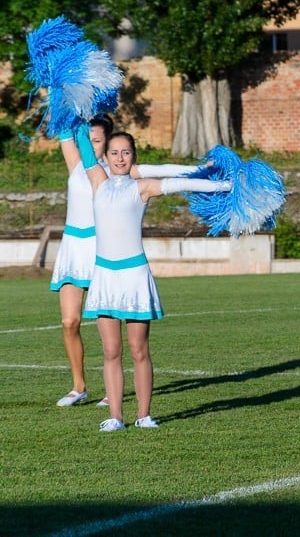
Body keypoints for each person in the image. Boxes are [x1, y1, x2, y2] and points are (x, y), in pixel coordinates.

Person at [75, 128, 231, 431]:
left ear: (134, 156)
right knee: (110, 352)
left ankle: (144, 414)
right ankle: (116, 416)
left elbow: (180, 184)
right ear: (104, 156)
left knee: (139, 349)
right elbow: (82, 142)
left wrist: (225, 185)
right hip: (104, 275)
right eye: (114, 152)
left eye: (126, 153)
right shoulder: (97, 181)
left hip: (134, 275)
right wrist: (75, 107)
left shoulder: (141, 187)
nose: (120, 158)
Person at [51, 117, 201, 409]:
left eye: (98, 141)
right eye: (89, 140)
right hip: (73, 248)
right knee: (69, 321)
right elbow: (64, 123)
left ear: (107, 145)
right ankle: (79, 386)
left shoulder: (119, 173)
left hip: (103, 251)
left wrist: (203, 170)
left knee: (113, 329)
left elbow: (165, 174)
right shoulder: (78, 165)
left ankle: (114, 393)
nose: (92, 146)